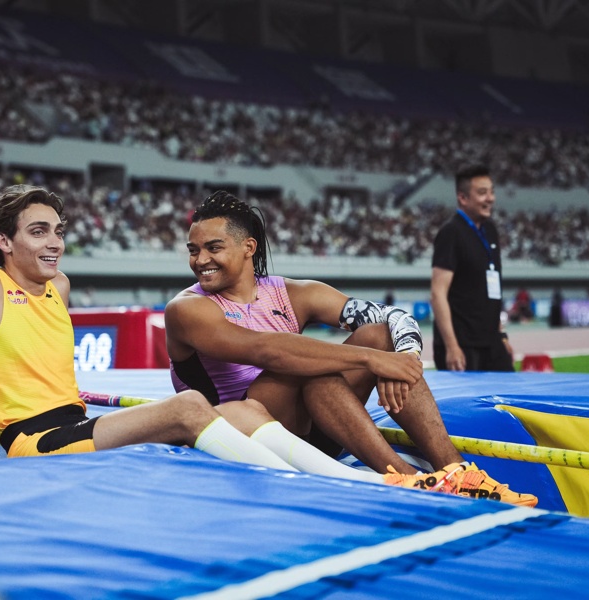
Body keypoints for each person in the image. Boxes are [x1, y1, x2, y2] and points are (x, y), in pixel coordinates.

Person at [0, 185, 435, 489]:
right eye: (38, 231)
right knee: (190, 408)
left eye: (59, 231)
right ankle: (365, 485)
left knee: (234, 412)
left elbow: (0, 369)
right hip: (35, 442)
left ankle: (398, 470)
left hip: (74, 421)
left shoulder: (57, 288)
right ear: (3, 241)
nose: (55, 242)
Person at [164, 190, 537, 506]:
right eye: (193, 250)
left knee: (377, 334)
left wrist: (403, 358)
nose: (200, 260)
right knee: (308, 365)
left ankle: (456, 471)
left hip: (312, 432)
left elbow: (392, 317)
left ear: (249, 247)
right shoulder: (186, 309)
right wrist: (374, 361)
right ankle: (408, 478)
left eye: (213, 248)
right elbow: (267, 350)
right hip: (240, 436)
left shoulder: (292, 292)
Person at [430, 165, 514, 372]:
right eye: (482, 192)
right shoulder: (451, 232)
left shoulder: (490, 230)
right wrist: (452, 346)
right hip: (463, 344)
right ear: (463, 198)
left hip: (491, 342)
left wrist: (502, 336)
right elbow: (437, 293)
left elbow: (491, 293)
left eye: (492, 191)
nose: (490, 198)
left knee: (510, 389)